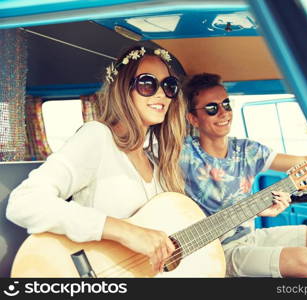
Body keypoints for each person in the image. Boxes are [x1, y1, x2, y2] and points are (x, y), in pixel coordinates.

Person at [6, 45, 187, 273]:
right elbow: (24, 202)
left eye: (169, 86)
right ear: (124, 89)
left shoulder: (159, 163)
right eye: (147, 84)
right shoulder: (98, 137)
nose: (161, 94)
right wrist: (125, 231)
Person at [180, 73, 307, 278]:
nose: (223, 113)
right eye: (212, 108)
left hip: (249, 236)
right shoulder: (184, 155)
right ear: (193, 118)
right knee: (306, 262)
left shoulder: (247, 150)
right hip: (215, 251)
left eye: (226, 104)